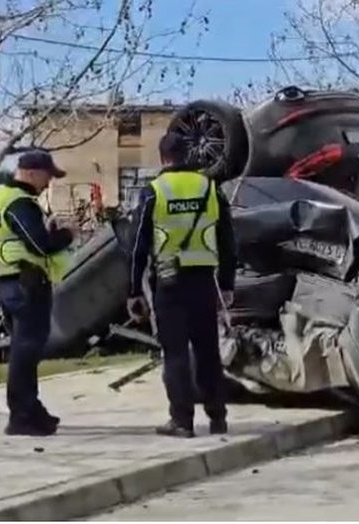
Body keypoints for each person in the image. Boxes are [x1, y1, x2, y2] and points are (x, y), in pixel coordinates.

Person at [127, 132, 237, 438]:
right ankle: (218, 417)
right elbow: (228, 241)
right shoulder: (210, 189)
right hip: (204, 282)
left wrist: (133, 290)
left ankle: (182, 420)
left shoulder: (154, 192)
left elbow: (138, 245)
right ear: (188, 155)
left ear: (163, 158)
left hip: (169, 284)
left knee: (175, 353)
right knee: (208, 351)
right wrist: (227, 284)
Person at [0, 150, 75, 436]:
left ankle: (31, 409)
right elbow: (40, 245)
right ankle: (22, 416)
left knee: (24, 350)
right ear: (30, 172)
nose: (48, 182)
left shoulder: (7, 199)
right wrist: (66, 235)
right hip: (25, 283)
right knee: (26, 351)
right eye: (47, 176)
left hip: (13, 281)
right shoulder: (20, 203)